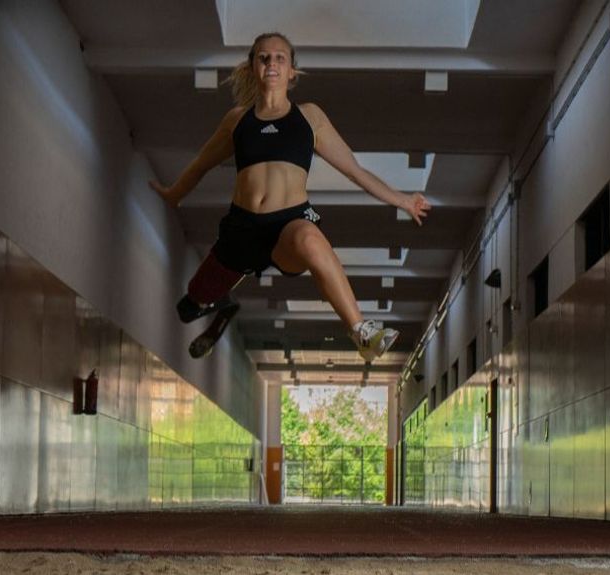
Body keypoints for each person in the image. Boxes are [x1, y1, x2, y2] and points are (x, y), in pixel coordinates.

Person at [150, 32, 430, 360]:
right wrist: (173, 195)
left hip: (289, 223)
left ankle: (361, 330)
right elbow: (200, 166)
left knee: (311, 239)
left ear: (292, 71)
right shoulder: (237, 120)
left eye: (280, 58)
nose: (272, 63)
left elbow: (355, 170)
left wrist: (403, 200)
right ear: (252, 66)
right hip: (241, 228)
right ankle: (223, 309)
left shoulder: (310, 117)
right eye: (264, 57)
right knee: (189, 306)